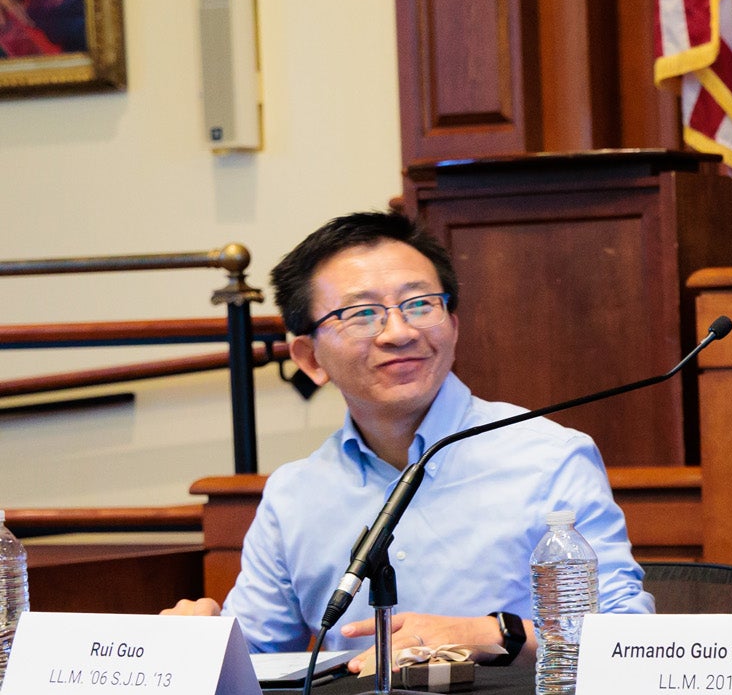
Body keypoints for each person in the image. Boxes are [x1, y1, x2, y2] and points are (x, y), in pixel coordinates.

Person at [165, 210, 648, 670]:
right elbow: (258, 656)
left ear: (453, 328)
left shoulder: (548, 458)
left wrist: (492, 635)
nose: (398, 332)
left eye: (419, 305)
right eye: (362, 314)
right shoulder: (295, 494)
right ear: (309, 357)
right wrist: (200, 642)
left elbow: (625, 637)